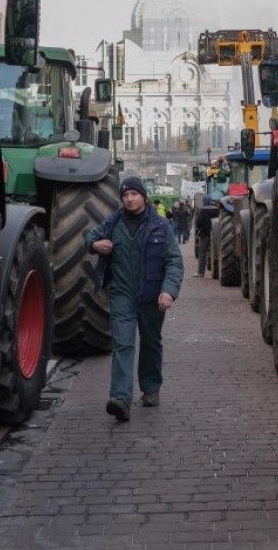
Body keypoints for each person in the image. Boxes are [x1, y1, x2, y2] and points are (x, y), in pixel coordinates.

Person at [85, 176, 183, 422]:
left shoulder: (161, 225)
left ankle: (150, 389)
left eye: (134, 194)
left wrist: (168, 291)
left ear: (144, 196)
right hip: (122, 293)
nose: (129, 199)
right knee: (123, 343)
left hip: (152, 296)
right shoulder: (112, 222)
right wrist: (96, 244)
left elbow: (174, 261)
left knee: (151, 343)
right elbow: (90, 237)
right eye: (125, 195)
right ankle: (120, 399)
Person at [193, 197, 218, 277]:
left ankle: (201, 272)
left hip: (204, 234)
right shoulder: (217, 210)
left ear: (204, 202)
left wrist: (198, 228)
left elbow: (198, 222)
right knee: (215, 252)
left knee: (202, 253)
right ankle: (215, 272)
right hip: (216, 235)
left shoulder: (202, 210)